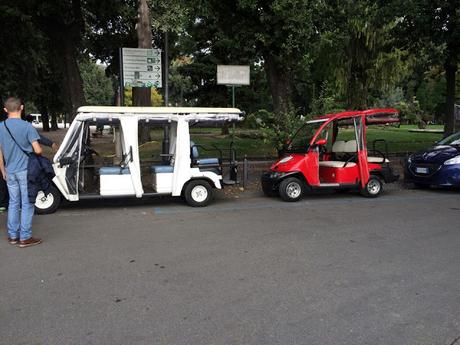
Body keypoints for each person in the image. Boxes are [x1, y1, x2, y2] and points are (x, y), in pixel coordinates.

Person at [0, 97, 43, 248]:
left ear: (5, 110)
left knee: (13, 203)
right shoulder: (27, 127)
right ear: (22, 108)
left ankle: (12, 236)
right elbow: (38, 150)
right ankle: (25, 237)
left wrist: (2, 169)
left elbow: (0, 151)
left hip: (9, 171)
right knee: (27, 203)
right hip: (26, 171)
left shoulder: (1, 127)